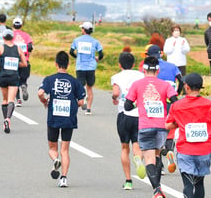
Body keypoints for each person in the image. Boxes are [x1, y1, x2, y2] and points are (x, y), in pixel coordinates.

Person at [124, 55, 179, 198]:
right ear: (158, 71)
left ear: (143, 69)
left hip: (145, 126)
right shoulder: (165, 85)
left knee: (149, 159)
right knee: (157, 154)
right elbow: (175, 102)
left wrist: (139, 103)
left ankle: (157, 190)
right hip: (162, 126)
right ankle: (166, 157)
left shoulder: (137, 84)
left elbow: (127, 106)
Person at [166, 73, 211, 198]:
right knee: (199, 184)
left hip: (185, 149)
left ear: (186, 87)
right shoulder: (210, 104)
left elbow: (168, 125)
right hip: (204, 150)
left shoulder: (177, 106)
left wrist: (179, 124)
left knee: (188, 185)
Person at [38, 51, 86, 188]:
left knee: (53, 147)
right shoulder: (75, 81)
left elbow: (40, 92)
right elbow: (82, 101)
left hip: (54, 116)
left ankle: (55, 159)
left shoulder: (50, 79)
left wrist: (43, 101)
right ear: (68, 64)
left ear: (56, 64)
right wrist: (73, 104)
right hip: (69, 117)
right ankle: (64, 178)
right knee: (65, 149)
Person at [111, 50, 145, 189]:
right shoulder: (141, 75)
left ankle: (128, 181)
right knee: (137, 144)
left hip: (124, 114)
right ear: (134, 64)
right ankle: (139, 159)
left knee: (125, 147)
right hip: (138, 114)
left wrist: (114, 98)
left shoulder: (116, 77)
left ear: (120, 64)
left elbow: (116, 93)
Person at [0, 29, 28, 133]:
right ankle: (8, 118)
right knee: (11, 100)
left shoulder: (0, 48)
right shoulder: (18, 49)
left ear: (3, 38)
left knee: (4, 99)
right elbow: (25, 64)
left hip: (3, 75)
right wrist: (15, 64)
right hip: (14, 76)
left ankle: (4, 120)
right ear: (12, 37)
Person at [69, 21, 104, 115]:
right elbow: (101, 53)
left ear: (84, 30)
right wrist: (97, 59)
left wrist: (78, 57)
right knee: (90, 87)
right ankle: (88, 109)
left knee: (80, 86)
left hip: (80, 66)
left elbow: (71, 51)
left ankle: (83, 99)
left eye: (82, 28)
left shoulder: (77, 40)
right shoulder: (95, 41)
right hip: (91, 67)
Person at [12, 16, 33, 105]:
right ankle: (23, 85)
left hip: (13, 61)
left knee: (14, 80)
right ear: (21, 25)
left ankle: (18, 100)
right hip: (25, 60)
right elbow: (30, 47)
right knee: (23, 79)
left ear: (13, 25)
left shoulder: (11, 35)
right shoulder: (26, 36)